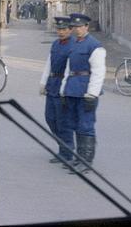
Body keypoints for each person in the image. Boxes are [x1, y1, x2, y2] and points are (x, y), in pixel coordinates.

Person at [60, 13, 106, 174]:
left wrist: (92, 94)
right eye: (75, 27)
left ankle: (86, 161)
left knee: (85, 126)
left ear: (87, 27)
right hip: (72, 89)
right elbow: (68, 69)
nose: (77, 29)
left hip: (86, 91)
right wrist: (63, 91)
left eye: (80, 26)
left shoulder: (94, 46)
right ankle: (78, 158)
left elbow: (98, 72)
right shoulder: (73, 44)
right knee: (73, 124)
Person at [40, 17, 75, 164]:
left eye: (64, 29)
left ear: (70, 30)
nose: (60, 32)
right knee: (50, 118)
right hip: (52, 84)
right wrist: (43, 82)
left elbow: (70, 68)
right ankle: (63, 146)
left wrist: (64, 88)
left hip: (64, 85)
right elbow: (49, 62)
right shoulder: (55, 44)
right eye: (58, 29)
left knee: (63, 121)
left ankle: (67, 152)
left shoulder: (74, 46)